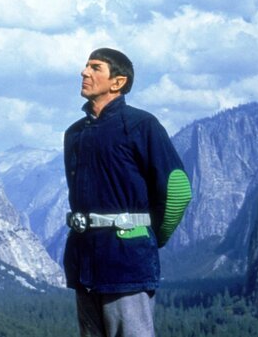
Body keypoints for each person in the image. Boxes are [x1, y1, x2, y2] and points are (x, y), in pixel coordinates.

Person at [63, 48, 191, 337]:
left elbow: (178, 189)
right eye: (85, 66)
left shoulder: (140, 125)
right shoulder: (74, 133)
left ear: (117, 82)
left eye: (95, 67)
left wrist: (151, 237)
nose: (84, 72)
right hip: (83, 263)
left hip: (126, 262)